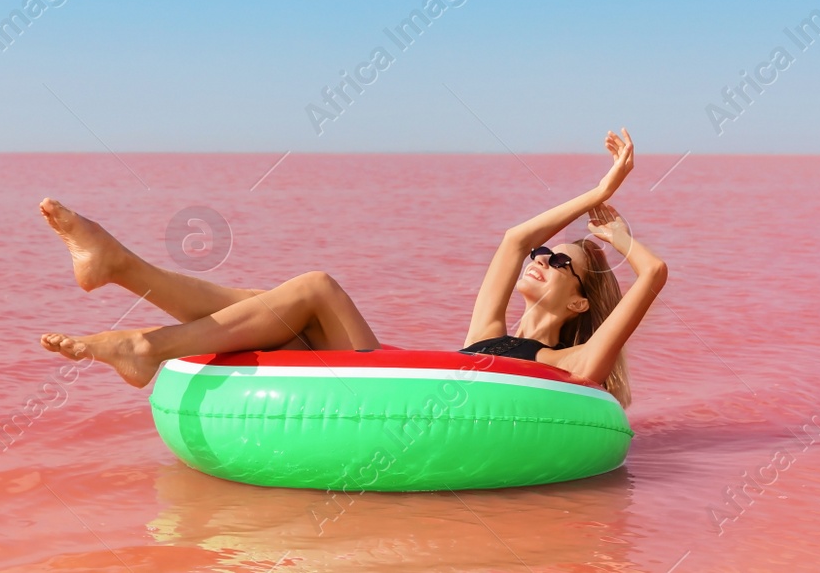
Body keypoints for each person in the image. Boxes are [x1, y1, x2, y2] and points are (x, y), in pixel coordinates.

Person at [38, 129, 666, 405]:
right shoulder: (485, 333)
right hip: (393, 372)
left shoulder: (569, 365)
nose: (539, 256)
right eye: (546, 252)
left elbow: (655, 274)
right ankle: (118, 267)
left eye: (558, 261)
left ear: (580, 303)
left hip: (403, 392)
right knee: (274, 303)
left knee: (313, 288)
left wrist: (619, 237)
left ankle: (144, 335)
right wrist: (598, 188)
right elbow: (511, 240)